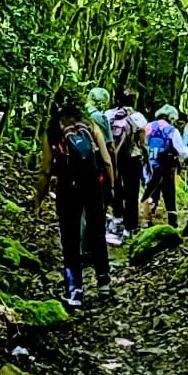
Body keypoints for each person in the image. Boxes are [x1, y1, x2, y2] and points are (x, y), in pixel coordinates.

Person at [37, 92, 114, 306]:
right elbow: (106, 161)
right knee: (97, 232)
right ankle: (104, 286)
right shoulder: (90, 126)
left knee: (70, 238)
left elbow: (45, 169)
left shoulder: (53, 131)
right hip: (94, 186)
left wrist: (38, 199)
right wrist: (111, 187)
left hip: (67, 188)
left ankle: (75, 292)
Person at [105, 89, 147, 238]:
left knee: (116, 188)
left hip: (113, 158)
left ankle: (117, 220)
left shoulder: (108, 115)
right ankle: (130, 226)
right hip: (132, 158)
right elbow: (143, 142)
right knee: (132, 192)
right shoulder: (138, 117)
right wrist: (146, 156)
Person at [143, 105, 188, 227]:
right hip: (167, 165)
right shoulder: (172, 130)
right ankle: (172, 221)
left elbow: (143, 144)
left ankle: (147, 220)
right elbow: (181, 151)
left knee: (151, 191)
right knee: (169, 192)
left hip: (151, 164)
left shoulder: (148, 127)